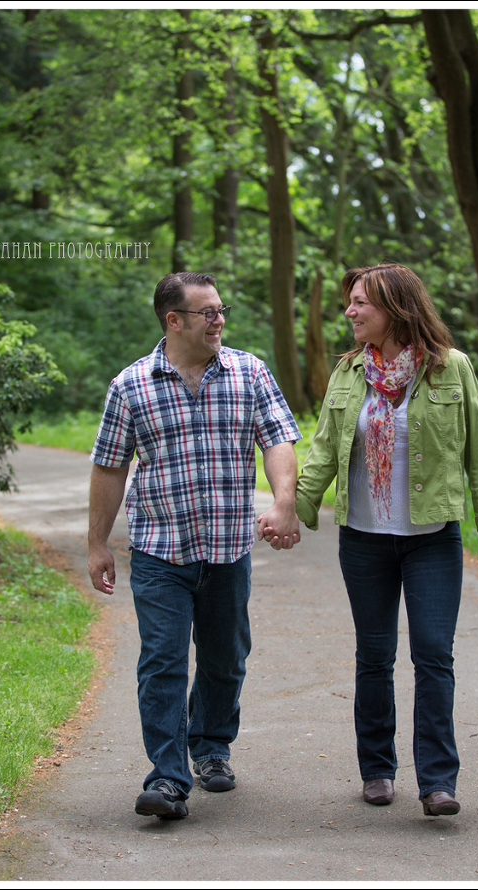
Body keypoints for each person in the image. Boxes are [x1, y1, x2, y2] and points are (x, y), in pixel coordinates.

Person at [261, 262, 478, 817]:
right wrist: (290, 511)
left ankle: (437, 782)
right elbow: (325, 449)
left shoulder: (452, 369)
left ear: (396, 308)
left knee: (433, 656)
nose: (349, 312)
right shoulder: (348, 373)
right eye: (349, 302)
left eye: (360, 303)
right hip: (365, 540)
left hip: (432, 538)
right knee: (374, 657)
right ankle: (377, 770)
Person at [88, 271, 302, 821]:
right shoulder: (130, 386)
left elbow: (278, 438)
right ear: (173, 320)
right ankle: (167, 778)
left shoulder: (249, 373)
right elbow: (110, 467)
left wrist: (283, 500)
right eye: (207, 312)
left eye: (221, 309)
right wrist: (97, 543)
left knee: (225, 659)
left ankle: (210, 747)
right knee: (162, 661)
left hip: (229, 548)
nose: (219, 319)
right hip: (161, 548)